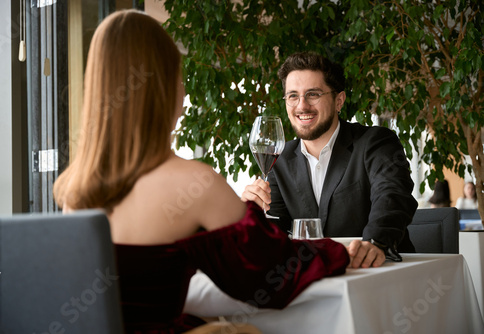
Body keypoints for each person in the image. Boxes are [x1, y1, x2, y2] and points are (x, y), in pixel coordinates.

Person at [53, 10, 349, 333]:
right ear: (165, 89)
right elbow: (271, 276)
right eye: (179, 77)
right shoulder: (193, 183)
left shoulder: (75, 191)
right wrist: (339, 251)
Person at [242, 52, 418, 268]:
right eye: (293, 96)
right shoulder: (281, 158)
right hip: (315, 279)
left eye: (313, 94)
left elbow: (392, 196)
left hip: (381, 274)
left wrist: (375, 243)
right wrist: (252, 216)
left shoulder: (375, 142)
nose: (302, 106)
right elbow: (276, 233)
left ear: (339, 100)